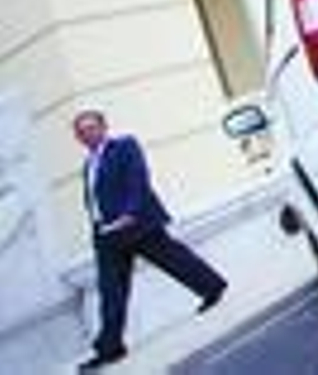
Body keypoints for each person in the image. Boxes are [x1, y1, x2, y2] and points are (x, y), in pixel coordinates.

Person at [73, 108, 228, 370]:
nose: (87, 134)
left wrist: (131, 212)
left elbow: (138, 178)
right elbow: (93, 201)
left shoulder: (125, 146)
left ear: (103, 127)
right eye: (81, 131)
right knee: (110, 291)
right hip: (106, 236)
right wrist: (97, 229)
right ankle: (110, 348)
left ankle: (212, 287)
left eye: (91, 127)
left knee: (174, 259)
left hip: (135, 223)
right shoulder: (88, 165)